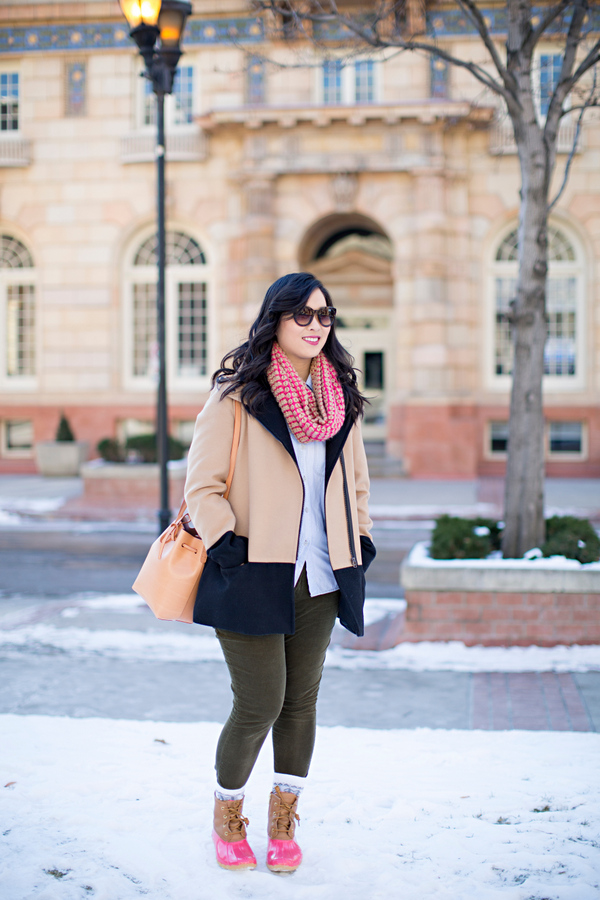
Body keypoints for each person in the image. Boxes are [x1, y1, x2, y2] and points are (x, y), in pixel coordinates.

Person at [184, 272, 376, 874]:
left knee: (301, 703)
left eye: (325, 315)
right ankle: (227, 814)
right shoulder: (237, 394)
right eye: (304, 315)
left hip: (322, 573)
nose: (317, 325)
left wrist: (360, 539)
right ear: (277, 319)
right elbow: (203, 485)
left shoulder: (339, 394)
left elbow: (357, 482)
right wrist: (227, 546)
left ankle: (284, 818)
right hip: (251, 569)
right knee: (259, 703)